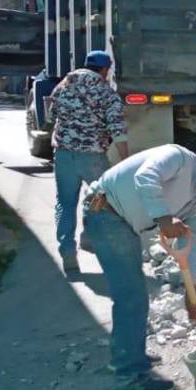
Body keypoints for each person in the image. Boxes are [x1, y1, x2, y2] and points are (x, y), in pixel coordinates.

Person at [83, 146, 196, 390]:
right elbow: (145, 177)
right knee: (132, 296)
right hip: (105, 212)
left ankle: (127, 356)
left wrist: (191, 290)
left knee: (133, 292)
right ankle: (129, 378)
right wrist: (163, 218)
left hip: (121, 222)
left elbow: (192, 243)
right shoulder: (178, 159)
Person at [49, 50, 129, 274]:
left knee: (65, 204)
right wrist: (125, 159)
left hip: (64, 155)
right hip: (93, 156)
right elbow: (117, 129)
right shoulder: (105, 92)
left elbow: (49, 115)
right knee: (100, 200)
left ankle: (67, 251)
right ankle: (91, 238)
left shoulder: (64, 84)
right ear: (105, 69)